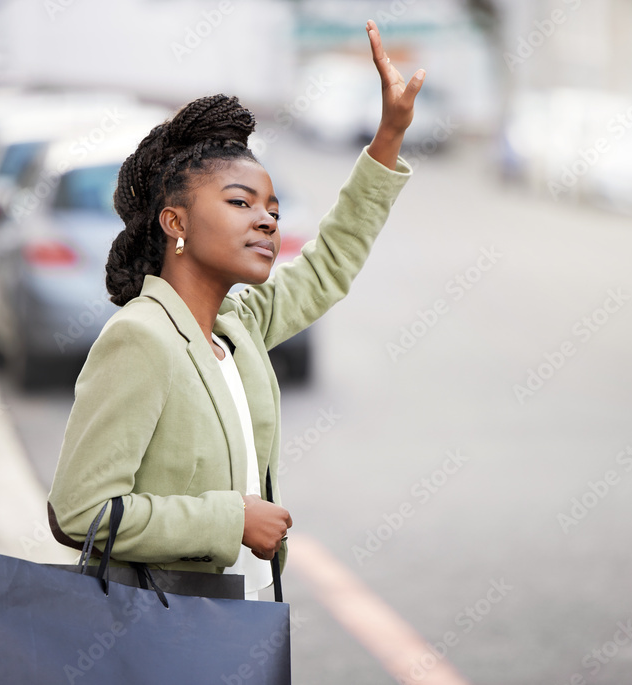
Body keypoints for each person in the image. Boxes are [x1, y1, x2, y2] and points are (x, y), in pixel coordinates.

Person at [47, 20, 425, 599]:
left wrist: (389, 136)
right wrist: (232, 520)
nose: (267, 220)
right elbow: (80, 511)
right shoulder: (141, 339)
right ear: (176, 222)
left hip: (240, 612)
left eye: (272, 207)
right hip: (162, 631)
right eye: (240, 202)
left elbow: (328, 264)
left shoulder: (237, 329)